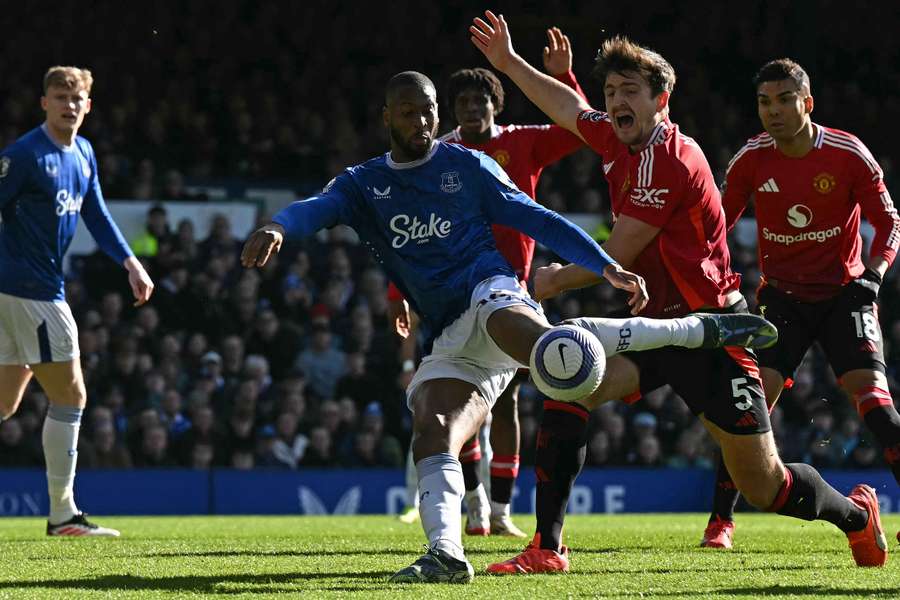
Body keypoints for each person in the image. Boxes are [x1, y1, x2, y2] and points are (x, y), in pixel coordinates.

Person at [241, 71, 773, 583]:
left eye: (428, 109)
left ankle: (693, 331)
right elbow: (317, 208)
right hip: (448, 333)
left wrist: (602, 264)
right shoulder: (364, 184)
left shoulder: (468, 165)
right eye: (408, 111)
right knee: (433, 428)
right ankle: (446, 554)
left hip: (491, 289)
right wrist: (277, 225)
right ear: (387, 118)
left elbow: (537, 218)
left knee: (548, 353)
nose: (421, 120)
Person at [469, 10, 887, 573]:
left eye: (630, 91)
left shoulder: (670, 157)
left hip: (711, 330)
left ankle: (857, 518)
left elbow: (618, 251)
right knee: (566, 383)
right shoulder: (619, 139)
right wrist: (510, 64)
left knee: (764, 484)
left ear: (661, 99)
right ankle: (548, 547)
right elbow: (568, 109)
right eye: (610, 90)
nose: (616, 100)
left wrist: (551, 279)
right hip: (653, 328)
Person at [391, 26, 588, 538]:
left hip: (509, 295)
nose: (473, 107)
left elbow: (580, 129)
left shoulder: (521, 143)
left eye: (481, 98)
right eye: (463, 100)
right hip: (447, 295)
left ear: (495, 104)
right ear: (451, 109)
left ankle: (499, 512)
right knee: (457, 396)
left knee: (508, 403)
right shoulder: (435, 155)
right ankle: (476, 506)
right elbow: (404, 229)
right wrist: (399, 295)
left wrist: (562, 77)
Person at [701, 58, 900, 549]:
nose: (773, 111)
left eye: (784, 99)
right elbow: (717, 228)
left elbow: (889, 221)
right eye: (764, 102)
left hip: (844, 294)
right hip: (782, 301)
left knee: (874, 400)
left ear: (807, 103)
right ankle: (720, 522)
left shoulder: (847, 153)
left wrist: (873, 276)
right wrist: (718, 282)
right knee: (746, 408)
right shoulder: (751, 158)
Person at [0, 66, 154, 536]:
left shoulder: (83, 152)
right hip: (34, 291)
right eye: (60, 95)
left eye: (77, 97)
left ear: (88, 106)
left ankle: (63, 514)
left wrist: (130, 261)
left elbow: (96, 212)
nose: (69, 103)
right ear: (43, 102)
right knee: (71, 394)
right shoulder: (25, 155)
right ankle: (63, 514)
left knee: (4, 403)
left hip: (20, 292)